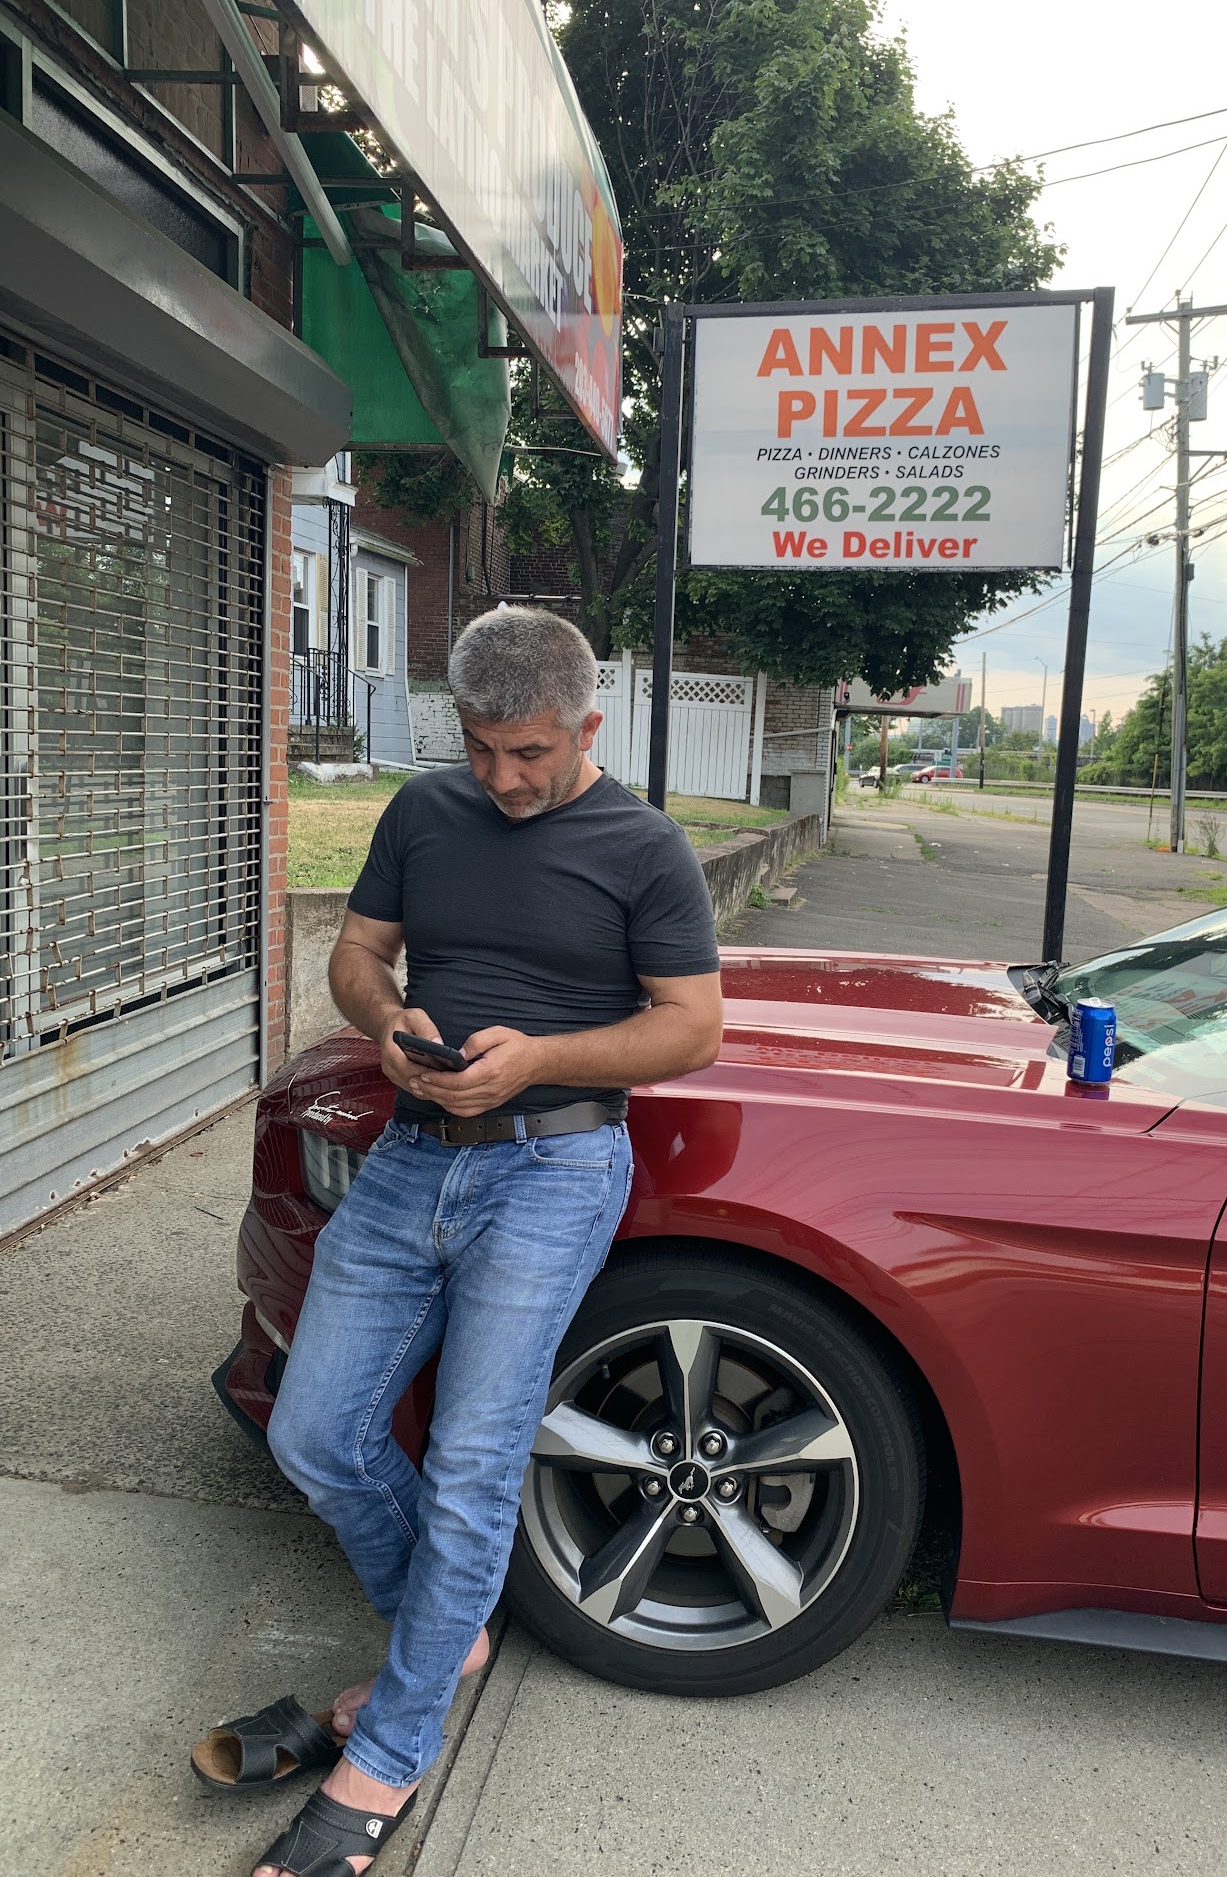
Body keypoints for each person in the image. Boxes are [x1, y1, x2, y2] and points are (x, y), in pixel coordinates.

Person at [199, 607, 723, 1877]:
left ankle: (389, 1751)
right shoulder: (425, 813)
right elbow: (357, 954)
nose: (502, 777)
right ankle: (443, 1636)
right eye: (480, 748)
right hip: (411, 1157)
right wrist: (384, 1024)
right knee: (315, 1433)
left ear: (588, 726)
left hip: (555, 1168)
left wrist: (538, 1059)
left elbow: (692, 1027)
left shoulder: (646, 846)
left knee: (475, 1462)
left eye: (529, 751)